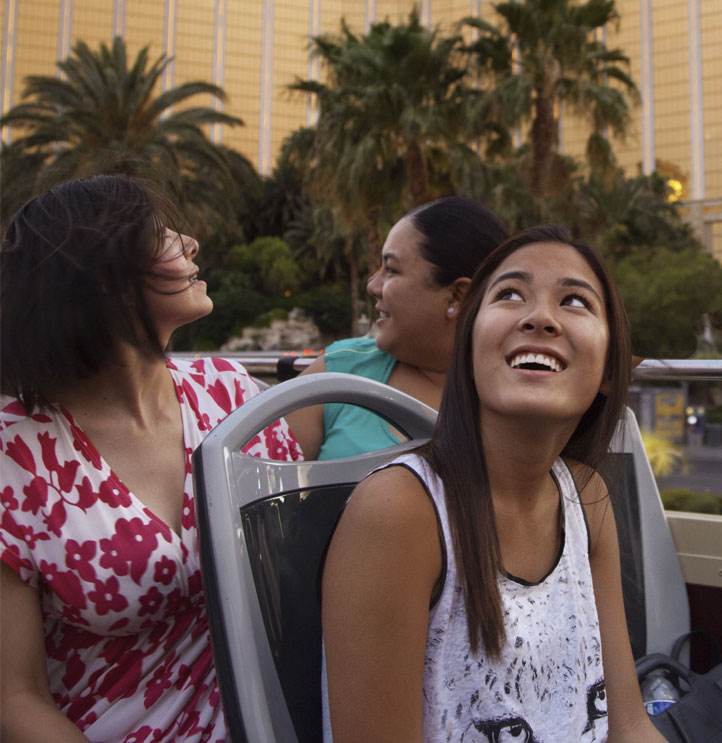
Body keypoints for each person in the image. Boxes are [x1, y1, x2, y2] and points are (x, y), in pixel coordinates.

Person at [321, 225, 665, 742]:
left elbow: (629, 724)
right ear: (469, 349)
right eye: (509, 294)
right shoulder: (400, 512)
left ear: (610, 372)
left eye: (574, 301)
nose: (539, 317)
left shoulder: (586, 499)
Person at [0, 174, 302, 743]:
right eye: (163, 237)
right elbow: (14, 699)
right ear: (105, 280)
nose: (190, 242)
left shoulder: (232, 395)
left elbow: (306, 557)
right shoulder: (15, 458)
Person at [286, 197, 508, 460]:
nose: (372, 286)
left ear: (457, 296)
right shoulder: (340, 373)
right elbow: (256, 483)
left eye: (391, 270)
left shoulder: (520, 398)